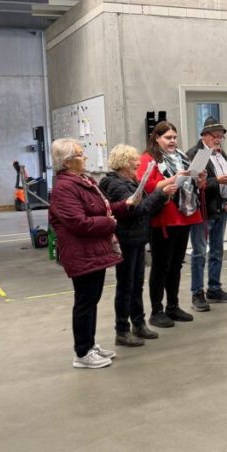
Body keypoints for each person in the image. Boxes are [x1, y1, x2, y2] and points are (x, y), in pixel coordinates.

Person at [48, 138, 132, 369]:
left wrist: (125, 204)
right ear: (67, 162)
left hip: (94, 250)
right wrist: (109, 223)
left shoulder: (84, 181)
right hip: (81, 253)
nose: (85, 158)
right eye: (80, 155)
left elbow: (103, 209)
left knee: (92, 300)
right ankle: (82, 353)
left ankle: (90, 344)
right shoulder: (65, 188)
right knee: (85, 302)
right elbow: (79, 223)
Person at [100, 144, 177, 345]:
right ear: (124, 163)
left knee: (136, 285)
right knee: (126, 286)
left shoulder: (130, 181)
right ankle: (122, 330)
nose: (138, 163)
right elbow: (137, 210)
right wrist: (160, 194)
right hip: (126, 240)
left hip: (136, 239)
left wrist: (162, 197)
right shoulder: (116, 185)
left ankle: (138, 323)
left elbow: (145, 208)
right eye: (134, 160)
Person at [137, 121, 202, 327]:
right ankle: (156, 310)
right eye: (168, 137)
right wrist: (173, 179)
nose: (172, 141)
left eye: (174, 137)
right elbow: (146, 185)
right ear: (157, 138)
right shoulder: (148, 158)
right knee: (160, 266)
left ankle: (173, 306)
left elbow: (190, 184)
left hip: (184, 215)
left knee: (176, 264)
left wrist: (198, 178)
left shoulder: (182, 157)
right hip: (163, 218)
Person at [187, 116, 227, 308]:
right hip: (203, 211)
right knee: (200, 252)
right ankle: (197, 293)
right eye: (215, 136)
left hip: (220, 210)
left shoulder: (221, 154)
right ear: (204, 135)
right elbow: (192, 183)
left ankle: (214, 289)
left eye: (221, 136)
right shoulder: (196, 154)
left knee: (217, 251)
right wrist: (218, 181)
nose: (218, 139)